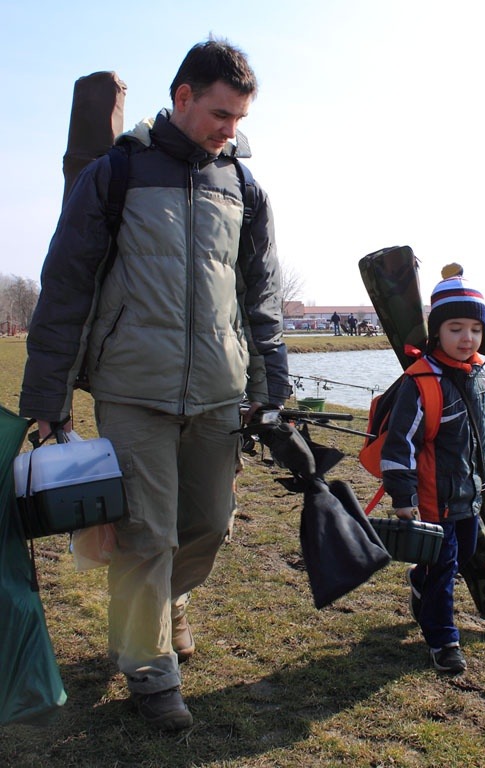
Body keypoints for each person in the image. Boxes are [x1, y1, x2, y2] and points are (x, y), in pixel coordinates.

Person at [19, 39, 291, 730]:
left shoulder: (244, 188)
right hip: (133, 388)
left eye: (238, 118)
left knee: (208, 525)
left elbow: (259, 296)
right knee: (145, 534)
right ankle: (148, 668)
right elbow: (66, 286)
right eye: (221, 114)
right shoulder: (116, 172)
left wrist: (274, 386)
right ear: (182, 97)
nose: (231, 129)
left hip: (220, 391)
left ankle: (169, 602)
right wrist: (46, 403)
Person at [380, 264, 485, 674]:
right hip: (433, 500)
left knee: (461, 554)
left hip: (471, 495)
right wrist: (403, 498)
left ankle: (421, 586)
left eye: (474, 329)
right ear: (436, 331)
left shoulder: (476, 375)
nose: (466, 338)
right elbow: (398, 444)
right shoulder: (419, 382)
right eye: (455, 328)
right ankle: (443, 640)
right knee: (445, 568)